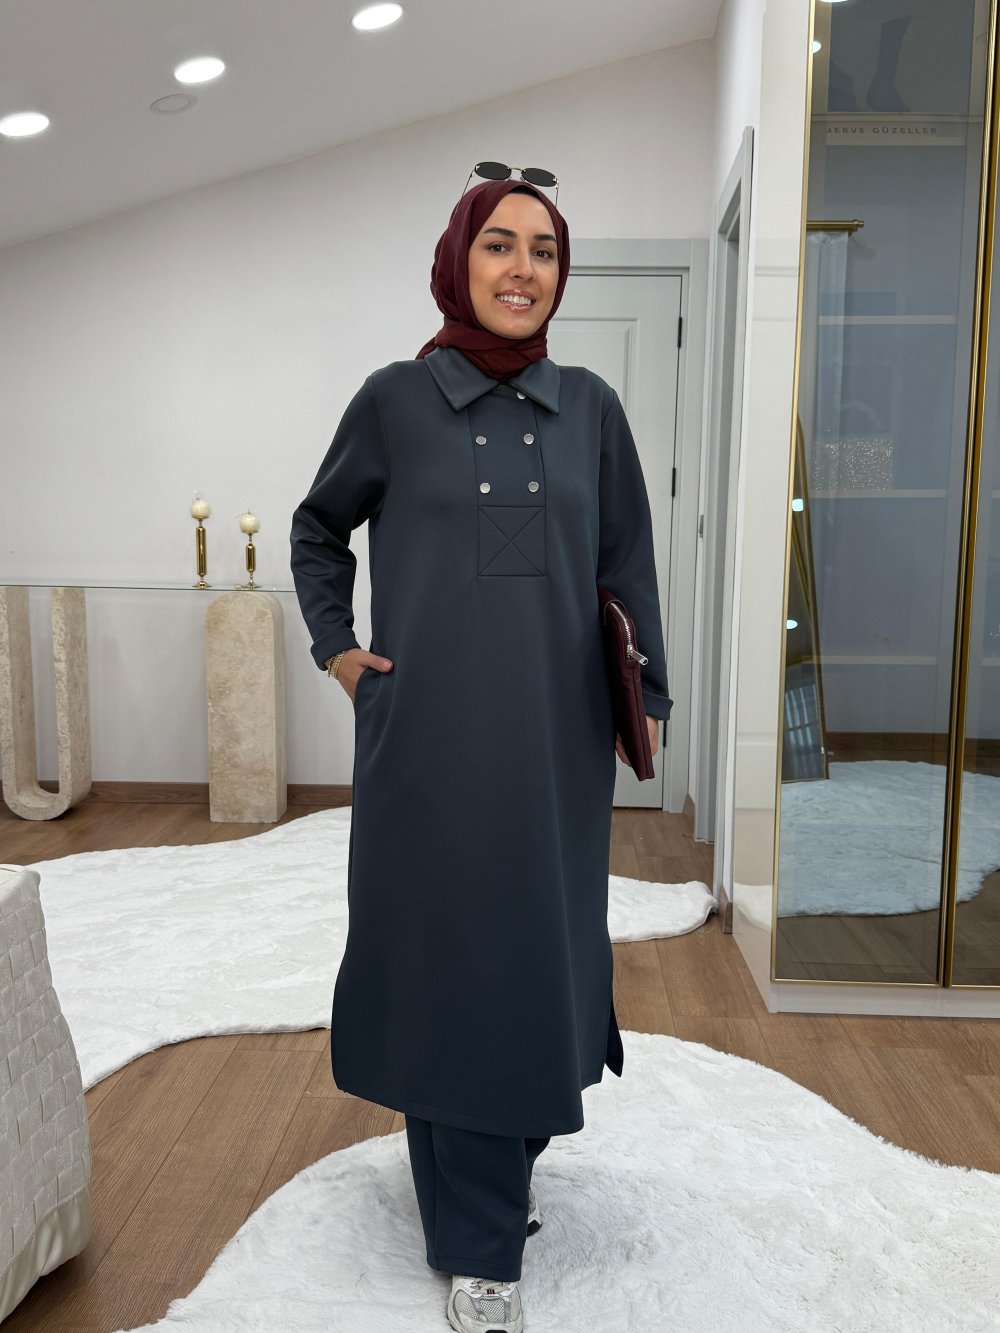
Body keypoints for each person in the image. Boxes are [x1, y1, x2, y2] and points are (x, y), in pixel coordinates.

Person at [289, 165, 672, 1333]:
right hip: (428, 739)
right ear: (458, 260)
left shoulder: (590, 407)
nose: (521, 268)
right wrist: (339, 650)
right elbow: (317, 528)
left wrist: (647, 691)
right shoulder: (395, 401)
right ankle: (479, 1240)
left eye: (543, 250)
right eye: (499, 243)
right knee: (448, 958)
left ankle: (488, 1174)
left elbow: (625, 562)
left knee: (534, 957)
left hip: (556, 743)